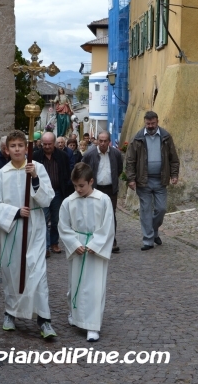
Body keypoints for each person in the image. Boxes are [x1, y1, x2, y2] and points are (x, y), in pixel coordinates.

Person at [0, 130, 57, 338]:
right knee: (13, 272)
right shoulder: (2, 174)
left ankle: (44, 319)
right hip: (13, 231)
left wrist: (34, 179)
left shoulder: (38, 168)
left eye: (21, 145)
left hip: (35, 227)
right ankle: (11, 312)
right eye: (13, 146)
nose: (17, 149)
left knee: (38, 273)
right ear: (7, 150)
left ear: (26, 147)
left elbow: (48, 198)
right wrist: (15, 212)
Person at [59, 163, 115, 342]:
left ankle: (92, 326)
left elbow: (108, 226)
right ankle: (75, 316)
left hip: (94, 250)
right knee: (75, 284)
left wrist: (97, 244)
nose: (78, 189)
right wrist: (74, 243)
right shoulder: (69, 201)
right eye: (75, 185)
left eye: (82, 185)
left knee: (95, 287)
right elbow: (63, 226)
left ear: (91, 181)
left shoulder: (103, 200)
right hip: (78, 248)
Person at [125, 111, 180, 251]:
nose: (150, 126)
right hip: (143, 180)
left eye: (153, 123)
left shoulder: (166, 137)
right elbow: (130, 160)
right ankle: (148, 240)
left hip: (161, 179)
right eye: (148, 124)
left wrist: (174, 175)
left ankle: (154, 230)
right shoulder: (137, 138)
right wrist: (131, 179)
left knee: (161, 209)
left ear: (157, 122)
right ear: (144, 122)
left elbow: (173, 158)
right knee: (145, 210)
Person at [82, 131, 124, 253]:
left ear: (109, 141)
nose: (103, 143)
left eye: (105, 141)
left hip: (111, 189)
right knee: (95, 215)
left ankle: (112, 240)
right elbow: (82, 168)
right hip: (95, 189)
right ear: (97, 141)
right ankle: (95, 240)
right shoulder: (90, 154)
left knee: (111, 215)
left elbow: (119, 168)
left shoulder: (115, 153)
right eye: (101, 140)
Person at [33, 132, 73, 258]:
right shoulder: (35, 156)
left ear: (54, 143)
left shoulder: (62, 156)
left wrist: (66, 187)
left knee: (56, 220)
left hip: (57, 192)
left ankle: (54, 243)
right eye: (44, 144)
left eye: (49, 144)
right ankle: (44, 246)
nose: (47, 146)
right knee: (43, 219)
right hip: (42, 192)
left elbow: (67, 173)